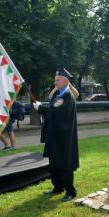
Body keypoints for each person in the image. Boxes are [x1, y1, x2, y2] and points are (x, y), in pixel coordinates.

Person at [33, 68, 79, 202]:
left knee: (65, 163)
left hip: (63, 137)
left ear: (66, 81)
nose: (55, 83)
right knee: (53, 162)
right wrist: (42, 106)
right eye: (55, 80)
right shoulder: (57, 94)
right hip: (54, 135)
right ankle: (58, 187)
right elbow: (52, 106)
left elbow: (54, 112)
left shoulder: (66, 96)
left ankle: (70, 191)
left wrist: (40, 108)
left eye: (58, 80)